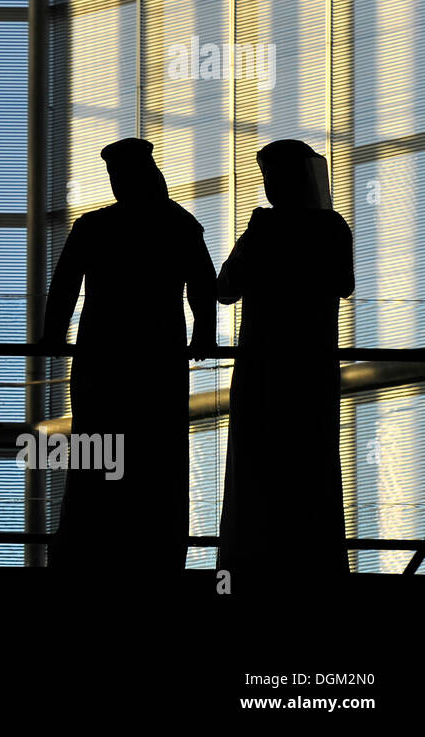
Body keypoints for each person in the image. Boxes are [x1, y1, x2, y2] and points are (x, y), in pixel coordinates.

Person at [40, 138, 217, 579]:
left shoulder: (96, 226)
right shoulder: (178, 223)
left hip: (103, 360)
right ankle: (154, 549)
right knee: (156, 455)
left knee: (99, 451)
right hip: (156, 361)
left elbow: (64, 286)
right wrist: (204, 334)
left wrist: (53, 336)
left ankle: (88, 545)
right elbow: (203, 284)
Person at [216, 139, 354, 583]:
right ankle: (314, 567)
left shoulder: (264, 228)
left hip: (262, 367)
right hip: (312, 367)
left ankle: (252, 566)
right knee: (312, 463)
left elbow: (225, 288)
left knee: (257, 466)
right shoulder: (331, 227)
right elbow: (344, 284)